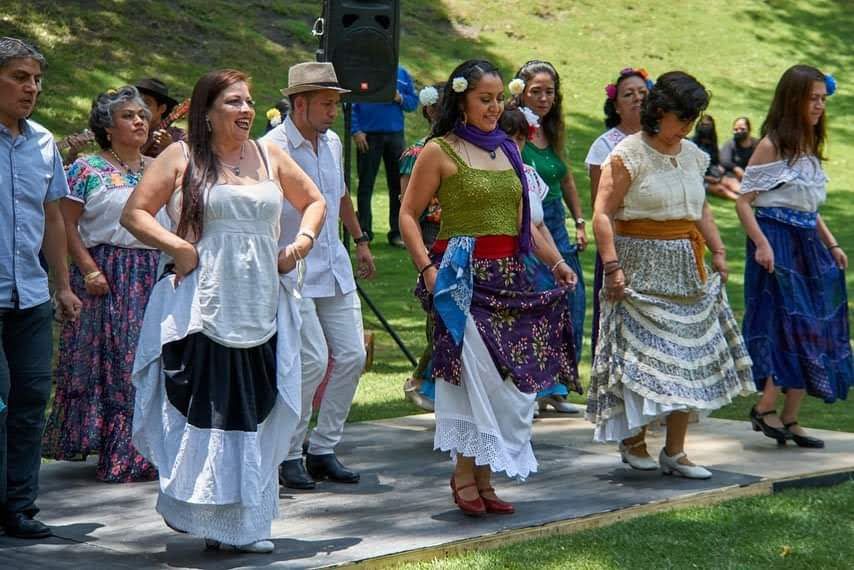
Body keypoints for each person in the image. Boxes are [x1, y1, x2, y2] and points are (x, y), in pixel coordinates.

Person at [121, 68, 326, 553]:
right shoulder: (182, 156)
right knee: (211, 411)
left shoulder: (268, 154)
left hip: (261, 303)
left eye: (249, 102)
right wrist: (181, 249)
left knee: (255, 409)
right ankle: (206, 514)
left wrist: (299, 244)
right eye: (233, 102)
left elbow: (315, 201)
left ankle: (249, 522)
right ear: (207, 112)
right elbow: (134, 213)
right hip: (207, 304)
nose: (245, 111)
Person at [400, 59, 579, 516]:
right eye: (485, 98)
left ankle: (485, 473)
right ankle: (465, 473)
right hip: (461, 279)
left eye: (499, 98)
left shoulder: (509, 150)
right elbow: (406, 216)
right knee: (471, 375)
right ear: (461, 99)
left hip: (509, 277)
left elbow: (526, 222)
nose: (495, 107)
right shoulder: (439, 150)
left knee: (507, 382)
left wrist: (556, 262)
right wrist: (427, 270)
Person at [587, 71, 754, 479]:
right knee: (645, 359)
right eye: (683, 118)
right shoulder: (628, 154)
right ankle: (634, 439)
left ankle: (676, 452)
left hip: (686, 267)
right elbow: (602, 214)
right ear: (659, 112)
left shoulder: (694, 155)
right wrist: (612, 267)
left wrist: (717, 249)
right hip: (639, 267)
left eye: (693, 119)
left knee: (687, 358)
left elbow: (701, 209)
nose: (688, 127)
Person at [261, 61, 376, 491]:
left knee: (351, 356)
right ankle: (287, 453)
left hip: (334, 265)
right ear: (300, 102)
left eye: (336, 104)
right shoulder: (270, 148)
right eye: (326, 103)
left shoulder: (331, 144)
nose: (334, 111)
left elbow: (340, 194)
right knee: (308, 362)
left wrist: (360, 239)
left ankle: (323, 448)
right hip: (293, 271)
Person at [42, 86, 165, 482]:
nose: (140, 121)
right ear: (107, 127)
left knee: (154, 361)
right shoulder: (86, 168)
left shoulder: (157, 167)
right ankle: (120, 453)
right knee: (119, 363)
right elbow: (66, 224)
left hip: (153, 271)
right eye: (129, 115)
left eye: (143, 115)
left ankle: (152, 450)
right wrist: (88, 269)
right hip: (109, 272)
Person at [737, 65, 852, 449]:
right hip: (776, 240)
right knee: (786, 324)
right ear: (794, 100)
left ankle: (790, 416)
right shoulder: (772, 145)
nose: (820, 106)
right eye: (813, 98)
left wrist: (832, 244)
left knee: (813, 326)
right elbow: (743, 202)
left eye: (823, 98)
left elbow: (807, 207)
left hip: (807, 243)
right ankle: (765, 406)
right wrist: (762, 244)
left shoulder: (809, 147)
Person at [0, 36, 82, 538]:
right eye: (19, 77)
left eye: (36, 79)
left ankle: (19, 507)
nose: (31, 88)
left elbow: (53, 217)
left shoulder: (43, 142)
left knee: (31, 399)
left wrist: (63, 285)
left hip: (29, 296)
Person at [513, 60, 586, 414]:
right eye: (536, 91)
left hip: (556, 219)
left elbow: (567, 178)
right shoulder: (514, 130)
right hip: (529, 221)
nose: (544, 98)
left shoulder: (552, 131)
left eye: (550, 92)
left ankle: (558, 386)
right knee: (540, 299)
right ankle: (535, 385)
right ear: (521, 92)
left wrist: (580, 221)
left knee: (571, 301)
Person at [585, 67, 652, 359]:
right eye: (629, 94)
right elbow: (601, 208)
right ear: (616, 105)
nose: (637, 98)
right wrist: (613, 259)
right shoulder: (605, 147)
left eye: (642, 92)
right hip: (620, 243)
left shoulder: (661, 140)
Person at [400, 83, 445, 412]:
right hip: (430, 233)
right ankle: (420, 378)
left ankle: (436, 381)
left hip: (458, 233)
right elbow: (408, 206)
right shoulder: (416, 153)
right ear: (429, 110)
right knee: (438, 310)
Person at [352, 65, 418, 246]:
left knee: (398, 185)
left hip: (395, 135)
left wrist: (400, 98)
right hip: (368, 136)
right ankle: (364, 231)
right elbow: (350, 103)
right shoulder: (362, 72)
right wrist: (355, 130)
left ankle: (397, 233)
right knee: (366, 184)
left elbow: (413, 102)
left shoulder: (402, 73)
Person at [692, 115, 740, 200]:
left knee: (731, 182)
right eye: (703, 125)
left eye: (708, 125)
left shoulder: (712, 143)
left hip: (714, 174)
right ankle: (741, 200)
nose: (706, 128)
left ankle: (749, 197)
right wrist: (707, 178)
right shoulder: (692, 145)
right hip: (698, 179)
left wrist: (719, 167)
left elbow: (716, 160)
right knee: (721, 189)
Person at [135, 78, 185, 158]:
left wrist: (170, 148)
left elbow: (186, 166)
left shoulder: (178, 137)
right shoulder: (126, 129)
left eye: (147, 103)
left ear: (162, 109)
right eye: (137, 101)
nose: (140, 107)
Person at [719, 116, 758, 181]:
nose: (739, 131)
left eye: (742, 129)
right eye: (736, 129)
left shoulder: (757, 144)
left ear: (749, 129)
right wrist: (736, 168)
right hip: (734, 176)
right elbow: (725, 161)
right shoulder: (729, 144)